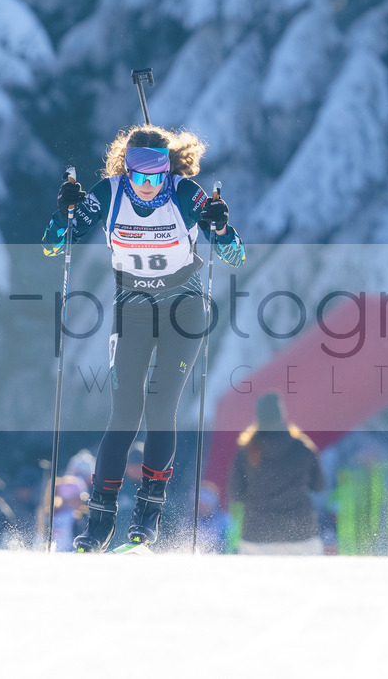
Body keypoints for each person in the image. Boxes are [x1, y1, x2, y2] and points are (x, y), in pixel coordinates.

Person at [42, 124, 245, 552]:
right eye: (140, 177)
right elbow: (51, 246)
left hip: (184, 308)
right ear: (127, 170)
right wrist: (64, 214)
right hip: (133, 309)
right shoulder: (110, 192)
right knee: (124, 414)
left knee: (160, 406)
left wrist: (222, 228)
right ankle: (99, 521)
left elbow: (234, 255)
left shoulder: (186, 194)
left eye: (157, 176)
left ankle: (148, 512)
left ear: (167, 170)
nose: (149, 186)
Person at [227, 392, 325, 555]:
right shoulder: (304, 448)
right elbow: (319, 486)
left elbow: (235, 493)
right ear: (282, 416)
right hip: (301, 534)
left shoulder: (247, 451)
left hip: (257, 536)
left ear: (259, 417)